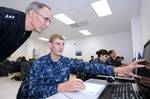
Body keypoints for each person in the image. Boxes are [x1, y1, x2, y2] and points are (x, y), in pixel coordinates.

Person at [17, 34, 144, 99]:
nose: (61, 47)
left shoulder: (66, 61)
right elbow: (33, 93)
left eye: (63, 44)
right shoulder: (39, 63)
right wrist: (61, 87)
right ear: (50, 45)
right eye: (57, 44)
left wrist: (119, 69)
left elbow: (90, 67)